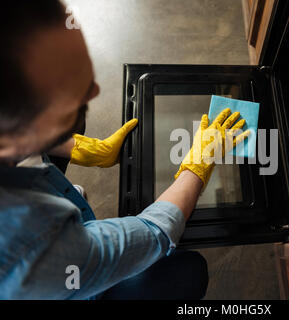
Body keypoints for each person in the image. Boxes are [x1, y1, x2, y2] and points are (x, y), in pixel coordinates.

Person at [0, 1, 249, 299]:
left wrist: (83, 149)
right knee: (186, 271)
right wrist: (198, 164)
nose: (94, 90)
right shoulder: (32, 246)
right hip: (57, 278)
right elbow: (155, 231)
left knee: (72, 126)